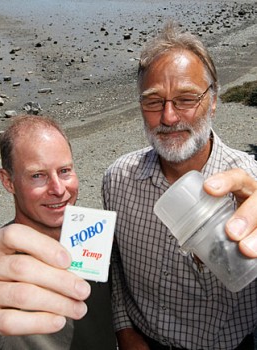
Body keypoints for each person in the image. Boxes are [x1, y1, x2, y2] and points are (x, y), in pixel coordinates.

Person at [102, 22, 257, 350]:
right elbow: (114, 267)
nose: (169, 117)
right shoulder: (118, 181)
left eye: (186, 99)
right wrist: (124, 331)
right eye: (153, 102)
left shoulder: (252, 186)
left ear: (213, 101)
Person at [0, 115, 116, 350]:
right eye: (38, 175)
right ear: (8, 181)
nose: (58, 189)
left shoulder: (99, 241)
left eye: (65, 171)